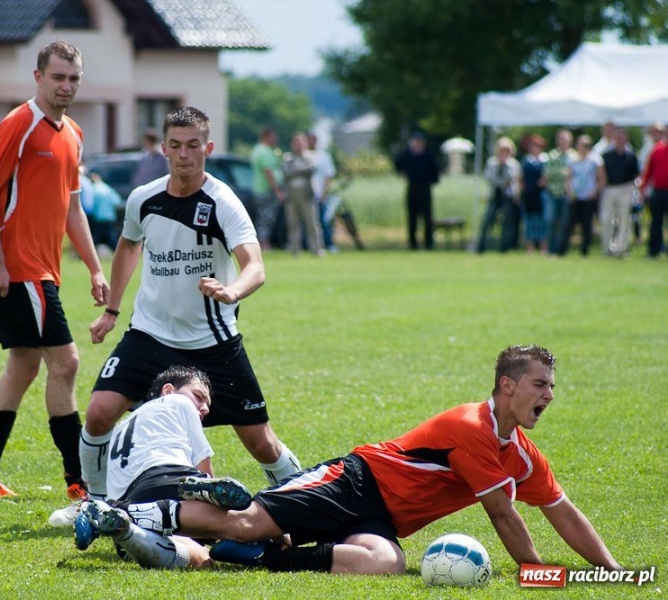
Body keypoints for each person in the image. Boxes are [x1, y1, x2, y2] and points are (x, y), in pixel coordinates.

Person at [103, 345, 623, 576]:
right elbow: (503, 515)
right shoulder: (473, 429)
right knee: (246, 522)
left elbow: (564, 511)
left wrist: (612, 570)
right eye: (540, 384)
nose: (549, 394)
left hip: (383, 518)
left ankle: (266, 559)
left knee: (385, 564)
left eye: (552, 386)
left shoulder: (523, 456)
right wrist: (534, 572)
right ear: (507, 386)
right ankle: (143, 514)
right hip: (353, 480)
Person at [80, 106, 302, 503]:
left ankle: (307, 496)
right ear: (164, 148)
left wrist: (232, 292)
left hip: (210, 342)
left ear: (208, 147)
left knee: (260, 442)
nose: (184, 154)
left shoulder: (223, 202)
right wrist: (112, 311)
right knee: (99, 413)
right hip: (149, 334)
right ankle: (95, 503)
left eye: (193, 145)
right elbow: (129, 247)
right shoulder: (144, 199)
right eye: (176, 145)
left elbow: (255, 267)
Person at [0, 41, 109, 499]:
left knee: (23, 367)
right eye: (58, 76)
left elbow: (72, 207)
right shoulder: (20, 123)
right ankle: (79, 480)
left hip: (44, 272)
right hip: (22, 271)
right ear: (38, 76)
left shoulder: (74, 133)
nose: (66, 85)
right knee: (66, 362)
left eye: (74, 78)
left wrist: (95, 269)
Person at [67, 365, 253, 570]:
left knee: (203, 560)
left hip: (132, 494)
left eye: (207, 404)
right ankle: (242, 535)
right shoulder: (179, 402)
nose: (205, 408)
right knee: (242, 522)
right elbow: (204, 468)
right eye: (199, 396)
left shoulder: (119, 428)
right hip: (172, 478)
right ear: (168, 390)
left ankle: (126, 529)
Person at [394, 132, 439, 250]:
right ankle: (412, 243)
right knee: (412, 218)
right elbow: (397, 163)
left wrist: (426, 179)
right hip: (412, 189)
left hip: (425, 190)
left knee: (427, 218)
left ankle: (428, 243)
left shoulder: (428, 156)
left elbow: (435, 175)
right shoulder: (408, 155)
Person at [560, 135, 605, 257]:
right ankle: (562, 250)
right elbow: (568, 178)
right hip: (575, 197)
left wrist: (594, 192)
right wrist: (570, 192)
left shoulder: (595, 160)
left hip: (588, 197)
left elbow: (601, 178)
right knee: (568, 224)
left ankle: (585, 250)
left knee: (586, 224)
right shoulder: (572, 160)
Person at [599, 127, 639, 257]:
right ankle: (607, 248)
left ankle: (621, 248)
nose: (619, 139)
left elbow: (635, 175)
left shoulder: (631, 156)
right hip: (609, 189)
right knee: (606, 219)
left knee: (624, 220)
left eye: (622, 136)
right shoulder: (606, 155)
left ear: (626, 138)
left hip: (625, 189)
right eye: (617, 137)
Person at [282, 133, 323, 256]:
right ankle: (295, 249)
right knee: (292, 223)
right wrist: (298, 169)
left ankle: (316, 249)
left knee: (312, 223)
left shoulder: (310, 156)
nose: (298, 145)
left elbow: (311, 169)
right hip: (291, 196)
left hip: (306, 195)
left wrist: (296, 169)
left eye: (300, 142)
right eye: (296, 142)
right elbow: (286, 172)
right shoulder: (287, 158)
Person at [477, 137, 521, 253]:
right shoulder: (492, 163)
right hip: (494, 194)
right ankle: (481, 246)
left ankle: (504, 247)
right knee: (487, 221)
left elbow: (513, 179)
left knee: (507, 222)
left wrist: (505, 167)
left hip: (508, 196)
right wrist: (500, 173)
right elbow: (489, 178)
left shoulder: (513, 164)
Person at [250, 127, 285, 250]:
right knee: (266, 217)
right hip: (266, 190)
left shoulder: (258, 150)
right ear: (266, 136)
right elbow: (268, 171)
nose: (275, 139)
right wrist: (277, 190)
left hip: (260, 189)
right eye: (273, 136)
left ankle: (264, 242)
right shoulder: (264, 151)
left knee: (264, 217)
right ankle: (264, 244)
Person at [542, 129, 576, 255]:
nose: (563, 142)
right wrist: (564, 173)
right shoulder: (551, 155)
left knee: (564, 223)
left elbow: (574, 175)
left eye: (565, 140)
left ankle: (560, 249)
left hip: (567, 194)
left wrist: (563, 174)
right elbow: (547, 174)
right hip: (552, 193)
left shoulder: (574, 156)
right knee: (550, 221)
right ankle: (550, 249)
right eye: (561, 139)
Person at [637, 123, 668, 258]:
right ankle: (653, 250)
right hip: (658, 191)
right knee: (656, 222)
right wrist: (643, 190)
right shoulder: (657, 150)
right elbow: (648, 172)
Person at [307, 132, 339, 252]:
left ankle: (328, 243)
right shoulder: (304, 155)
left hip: (319, 195)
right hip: (307, 195)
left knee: (324, 221)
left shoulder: (324, 156)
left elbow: (328, 176)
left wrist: (324, 193)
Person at [520, 134, 548, 254]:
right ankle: (530, 248)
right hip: (528, 195)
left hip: (541, 195)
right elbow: (521, 178)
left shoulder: (545, 160)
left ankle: (543, 247)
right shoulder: (526, 161)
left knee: (542, 222)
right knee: (529, 222)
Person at [87, 169, 123, 253]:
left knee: (96, 237)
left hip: (98, 217)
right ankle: (118, 251)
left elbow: (89, 205)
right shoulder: (107, 189)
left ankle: (87, 252)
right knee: (110, 236)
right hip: (109, 217)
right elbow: (117, 201)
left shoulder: (93, 190)